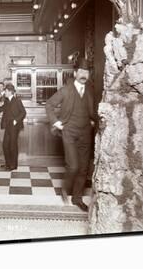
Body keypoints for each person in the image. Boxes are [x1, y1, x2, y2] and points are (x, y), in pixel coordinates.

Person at [45, 58, 96, 212]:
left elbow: (91, 111)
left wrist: (93, 121)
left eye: (86, 72)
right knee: (73, 166)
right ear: (75, 73)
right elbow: (49, 104)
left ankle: (77, 198)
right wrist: (55, 122)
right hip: (69, 132)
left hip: (86, 133)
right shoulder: (66, 90)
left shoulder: (90, 90)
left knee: (83, 168)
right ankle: (65, 188)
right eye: (81, 72)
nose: (83, 75)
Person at [0, 84, 26, 171]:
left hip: (14, 126)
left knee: (12, 145)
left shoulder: (17, 101)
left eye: (6, 91)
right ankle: (8, 163)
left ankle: (13, 165)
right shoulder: (6, 101)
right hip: (7, 125)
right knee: (5, 145)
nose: (4, 93)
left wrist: (16, 120)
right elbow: (4, 111)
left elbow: (23, 112)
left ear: (10, 92)